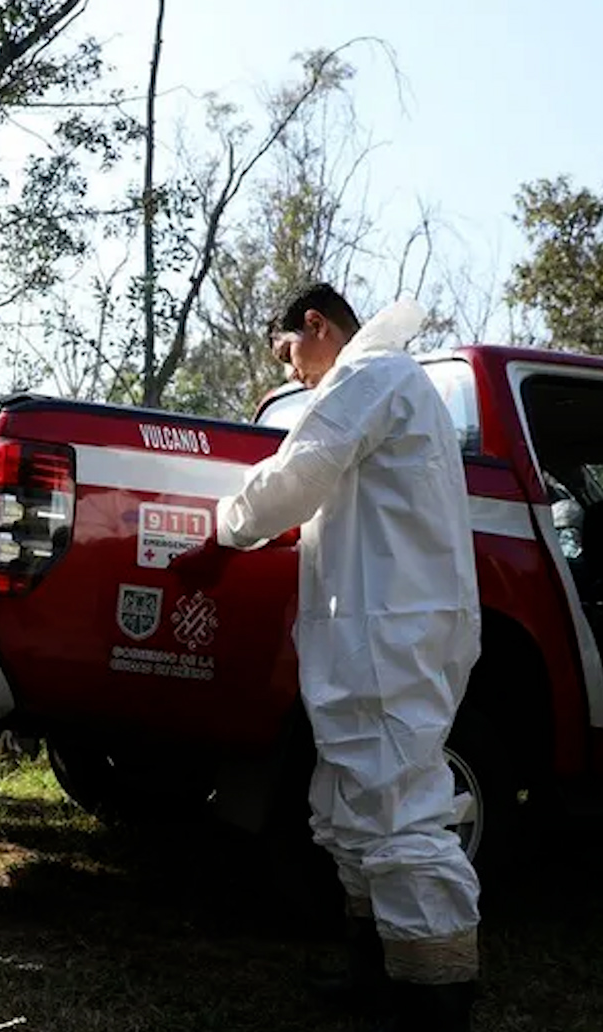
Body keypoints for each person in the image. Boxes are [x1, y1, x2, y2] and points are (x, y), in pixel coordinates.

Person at [175, 283, 481, 1031]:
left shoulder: (370, 376)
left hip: (392, 630)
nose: (295, 373)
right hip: (384, 625)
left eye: (289, 354)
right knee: (351, 801)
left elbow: (300, 470)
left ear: (315, 326)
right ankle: (379, 967)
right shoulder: (394, 386)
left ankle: (434, 994)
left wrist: (226, 532)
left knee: (397, 802)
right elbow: (348, 501)